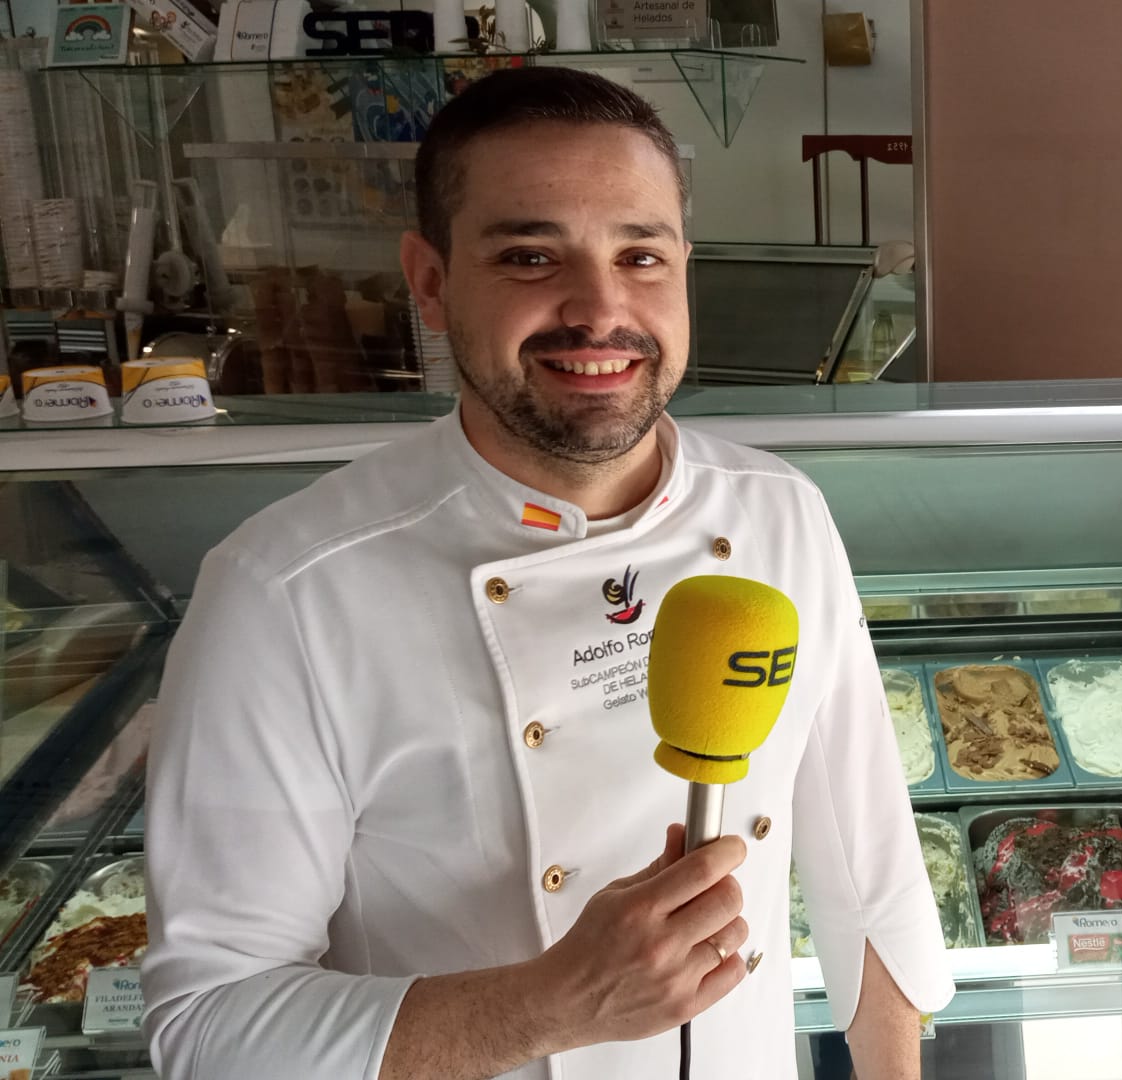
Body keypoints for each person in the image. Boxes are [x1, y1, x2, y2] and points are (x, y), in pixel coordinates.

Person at [142, 67, 954, 1080]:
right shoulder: (288, 591)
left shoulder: (778, 513)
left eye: (641, 254)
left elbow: (865, 863)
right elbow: (210, 1025)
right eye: (530, 255)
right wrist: (549, 1007)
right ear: (431, 283)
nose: (601, 309)